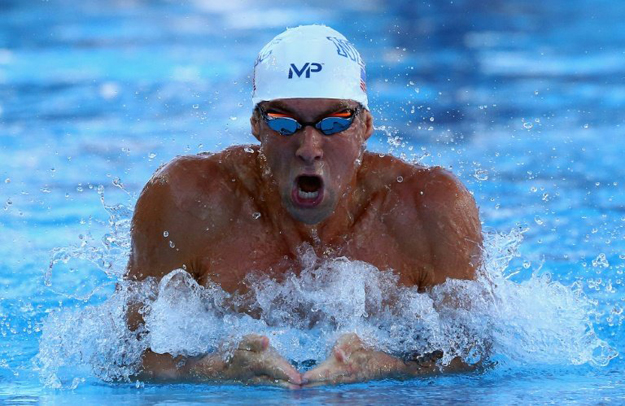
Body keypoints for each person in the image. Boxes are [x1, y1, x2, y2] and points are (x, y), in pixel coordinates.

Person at [125, 25, 482, 388]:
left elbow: (476, 356)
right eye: (284, 123)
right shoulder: (188, 201)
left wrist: (388, 366)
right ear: (255, 125)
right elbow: (127, 356)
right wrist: (214, 371)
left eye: (334, 122)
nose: (309, 147)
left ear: (366, 125)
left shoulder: (429, 208)